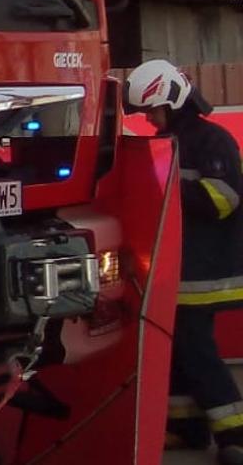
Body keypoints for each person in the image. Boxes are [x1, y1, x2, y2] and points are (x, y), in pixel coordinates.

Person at [129, 59, 243, 463]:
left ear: (174, 102)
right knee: (175, 349)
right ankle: (186, 429)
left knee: (196, 351)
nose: (149, 118)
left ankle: (235, 434)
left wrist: (164, 186)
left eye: (153, 110)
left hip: (204, 271)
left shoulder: (211, 141)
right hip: (179, 271)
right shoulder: (173, 140)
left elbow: (224, 198)